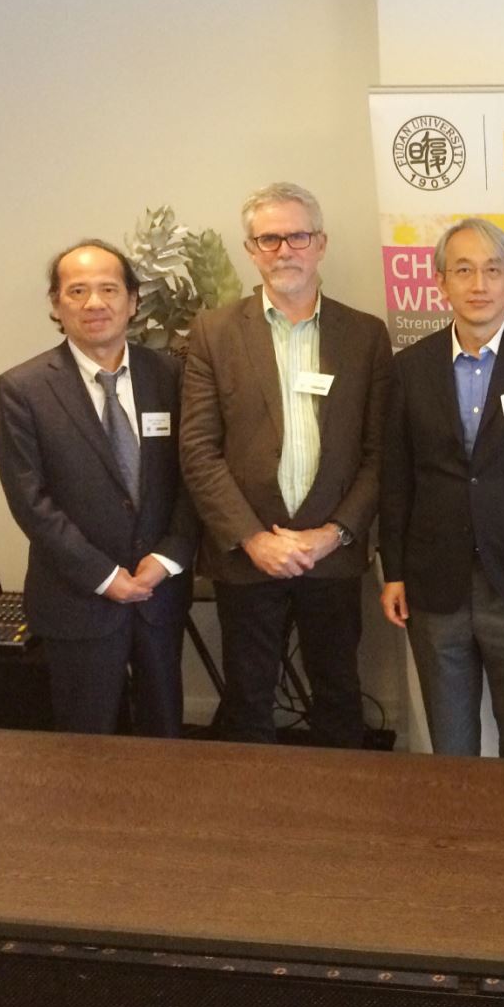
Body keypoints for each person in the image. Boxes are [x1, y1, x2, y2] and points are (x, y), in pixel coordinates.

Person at [180, 181, 392, 747]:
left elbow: (379, 454)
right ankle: (257, 805)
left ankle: (337, 802)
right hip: (250, 556)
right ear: (251, 250)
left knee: (339, 697)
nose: (284, 250)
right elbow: (198, 450)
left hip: (331, 554)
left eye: (297, 236)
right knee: (248, 702)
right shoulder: (214, 332)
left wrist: (334, 533)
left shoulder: (365, 335)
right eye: (268, 239)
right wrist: (253, 539)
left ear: (320, 243)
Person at [378, 218, 504, 760]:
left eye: (493, 270)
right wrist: (393, 570)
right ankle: (457, 822)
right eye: (463, 270)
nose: (479, 284)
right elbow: (396, 477)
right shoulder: (409, 368)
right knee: (450, 744)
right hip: (434, 582)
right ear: (440, 282)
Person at [0, 240, 197, 736]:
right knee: (86, 746)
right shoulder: (23, 388)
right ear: (55, 304)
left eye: (109, 289)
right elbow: (30, 501)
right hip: (77, 600)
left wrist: (168, 557)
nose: (94, 303)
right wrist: (105, 576)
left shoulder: (171, 375)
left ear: (133, 300)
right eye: (77, 291)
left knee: (166, 739)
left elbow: (194, 476)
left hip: (159, 593)